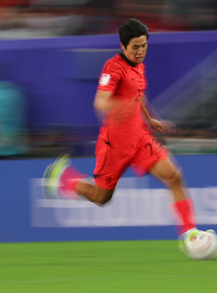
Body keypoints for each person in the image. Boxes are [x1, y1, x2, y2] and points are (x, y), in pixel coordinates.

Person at [43, 18, 198, 242]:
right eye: (136, 46)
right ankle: (66, 181)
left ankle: (190, 235)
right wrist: (120, 106)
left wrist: (150, 118)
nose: (141, 51)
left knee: (174, 176)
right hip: (114, 145)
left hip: (139, 139)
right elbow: (100, 101)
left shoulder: (139, 66)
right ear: (123, 46)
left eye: (144, 45)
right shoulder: (113, 67)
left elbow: (138, 95)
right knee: (100, 198)